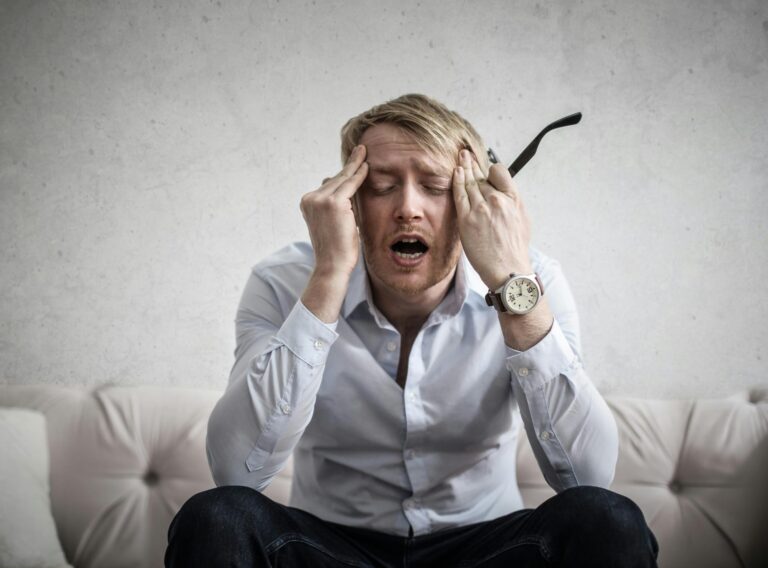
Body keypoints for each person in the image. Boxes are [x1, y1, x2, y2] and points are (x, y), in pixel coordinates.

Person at [165, 94, 658, 567]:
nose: (408, 208)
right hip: (331, 548)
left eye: (436, 186)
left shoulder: (533, 282)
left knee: (608, 520)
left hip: (486, 550)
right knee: (217, 519)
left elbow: (589, 477)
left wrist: (513, 284)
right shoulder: (282, 282)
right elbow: (234, 472)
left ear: (474, 202)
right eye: (381, 187)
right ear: (351, 203)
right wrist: (329, 276)